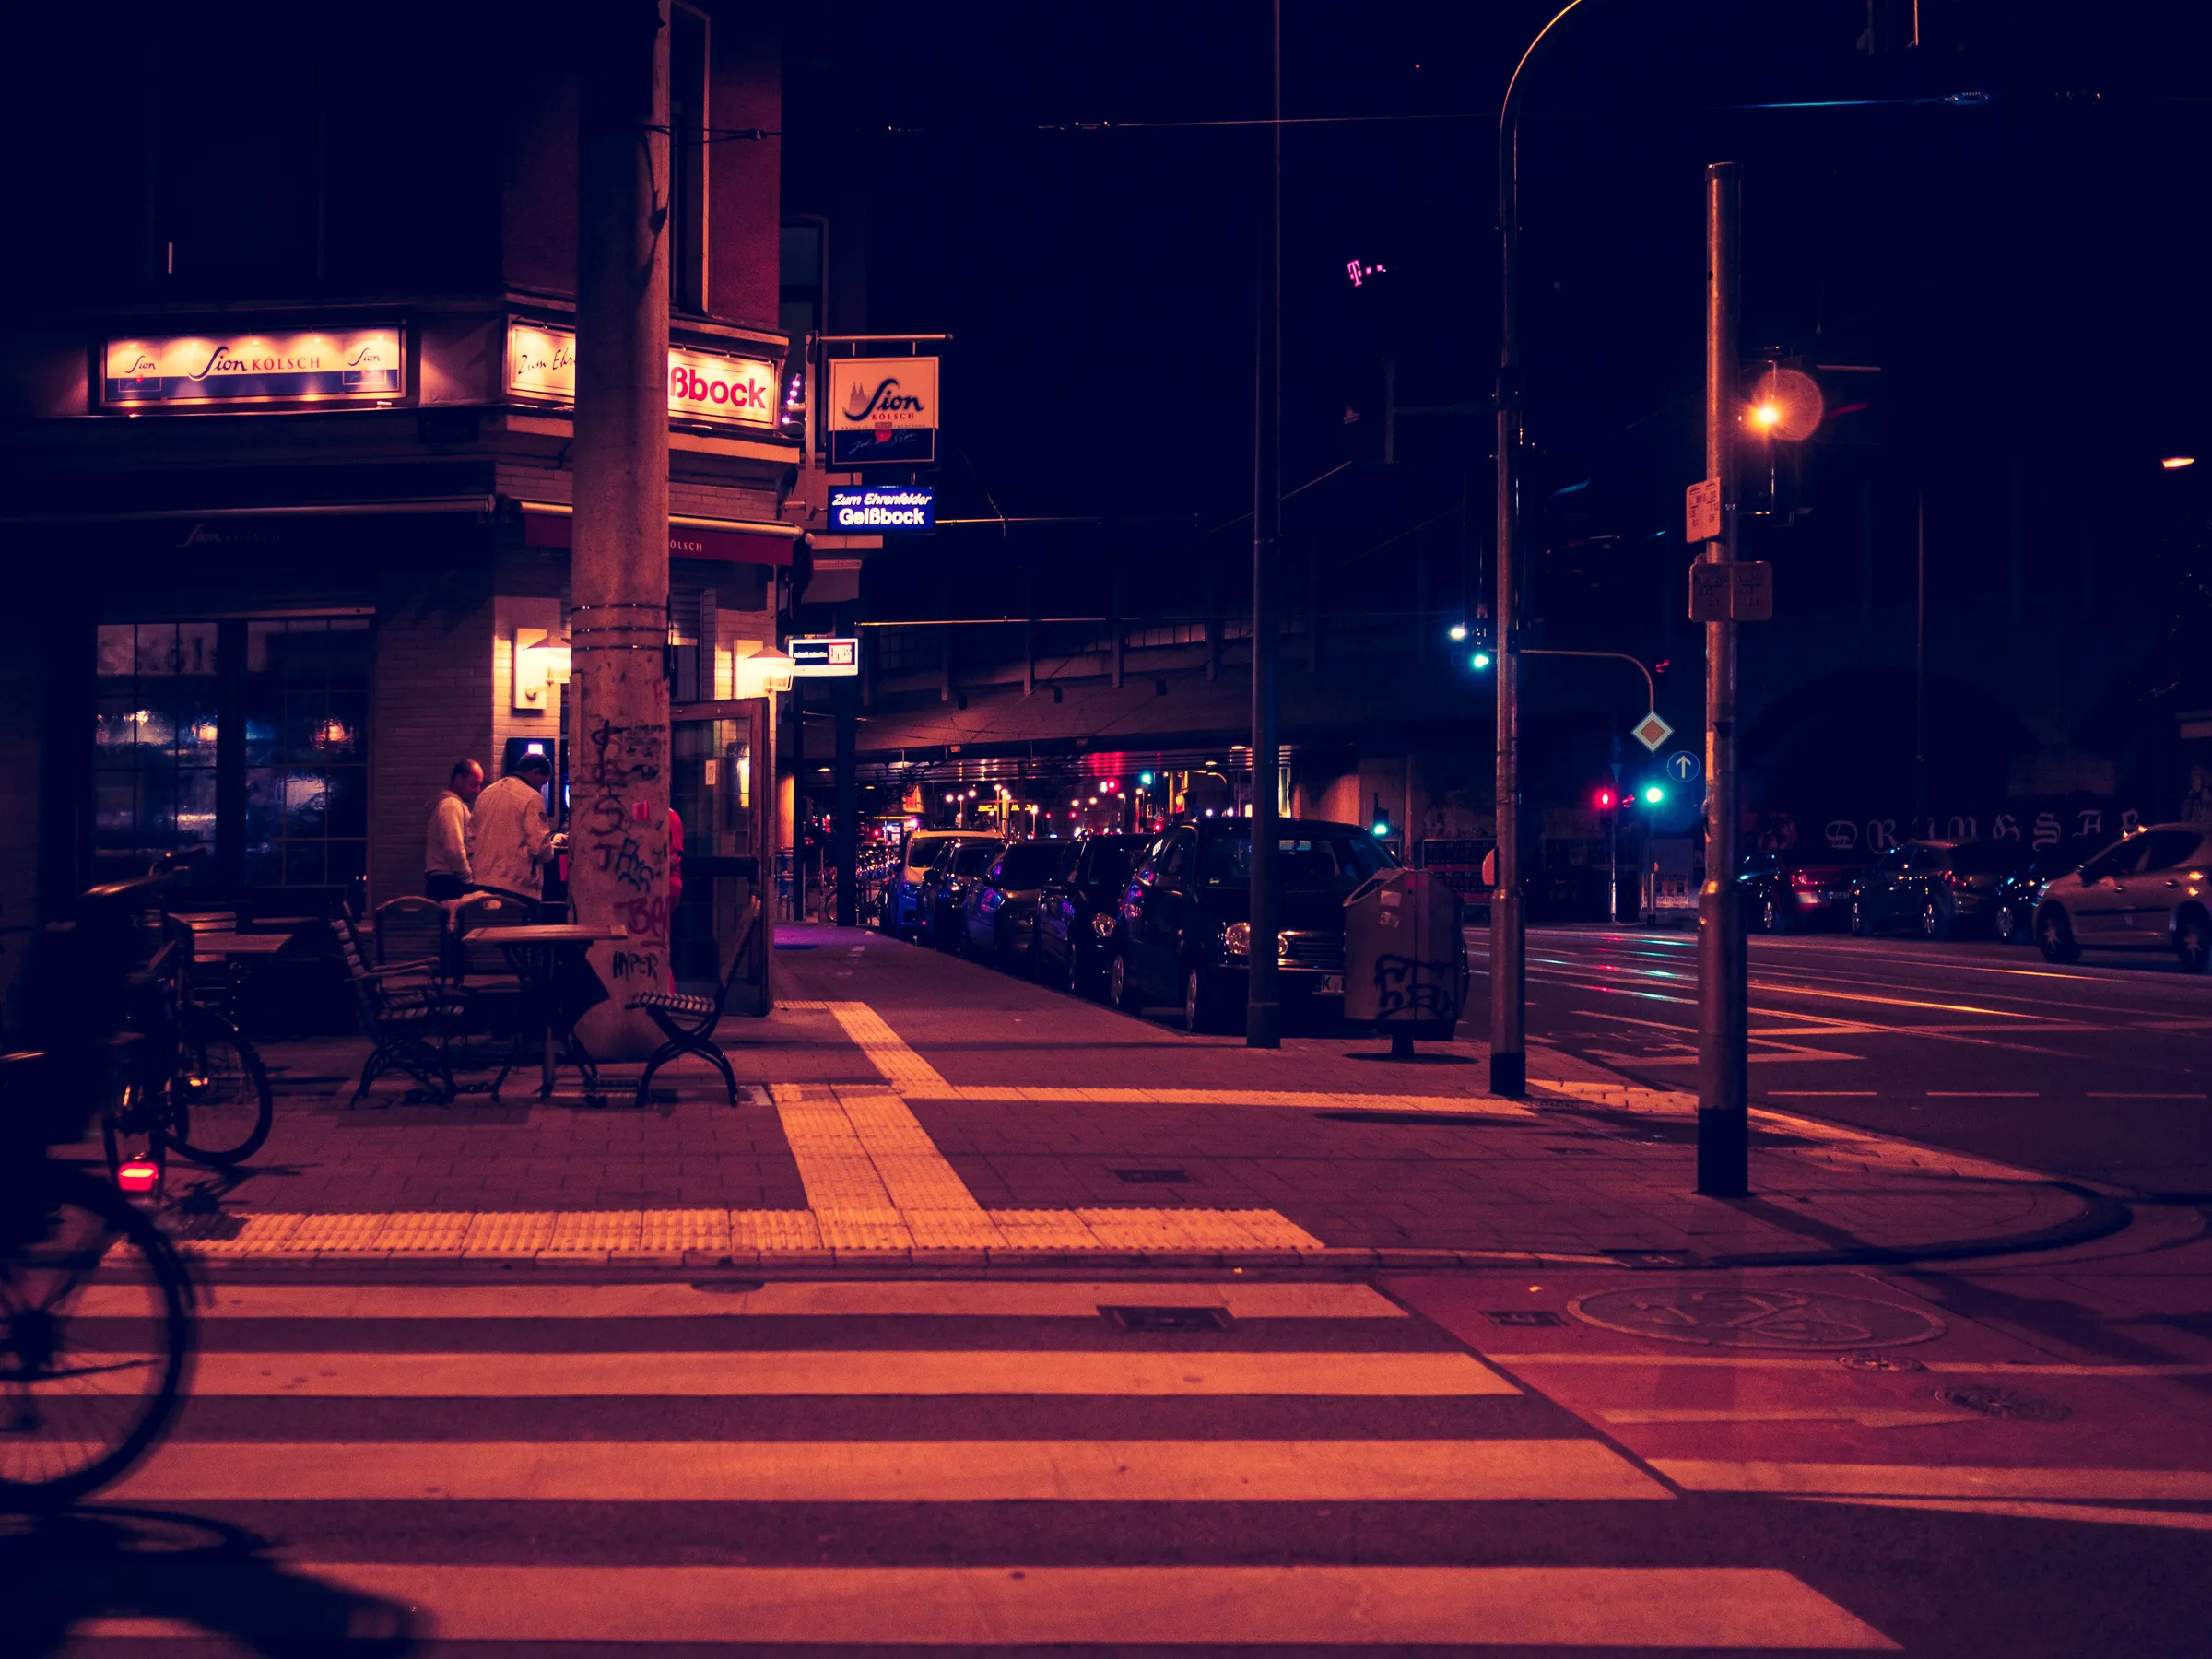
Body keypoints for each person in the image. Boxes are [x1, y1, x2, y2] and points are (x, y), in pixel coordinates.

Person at [470, 751, 555, 910]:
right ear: (535, 772)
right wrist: (551, 852)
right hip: (517, 886)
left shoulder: (486, 794)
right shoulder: (532, 797)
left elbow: (470, 837)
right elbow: (539, 847)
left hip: (481, 882)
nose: (541, 788)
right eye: (543, 783)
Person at [424, 759, 484, 901]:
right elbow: (454, 850)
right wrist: (469, 881)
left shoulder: (450, 805)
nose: (478, 790)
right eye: (474, 784)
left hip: (445, 881)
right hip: (449, 882)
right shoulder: (451, 805)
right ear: (459, 780)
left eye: (479, 785)